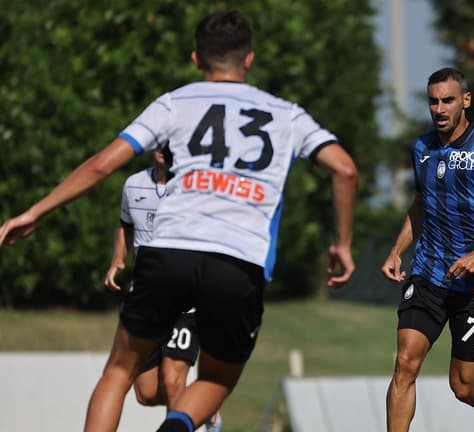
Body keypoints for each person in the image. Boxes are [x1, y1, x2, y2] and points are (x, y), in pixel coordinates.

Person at [0, 10, 357, 432]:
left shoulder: (175, 102)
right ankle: (177, 426)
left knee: (118, 371)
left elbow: (101, 165)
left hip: (168, 251)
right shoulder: (287, 115)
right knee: (217, 378)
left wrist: (34, 211)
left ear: (195, 59)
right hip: (238, 261)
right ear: (249, 60)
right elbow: (344, 169)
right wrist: (343, 242)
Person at [380, 67, 474, 432]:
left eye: (447, 100)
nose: (439, 108)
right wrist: (397, 249)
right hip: (429, 274)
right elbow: (422, 203)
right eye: (433, 101)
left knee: (465, 387)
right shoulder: (422, 148)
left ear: (465, 100)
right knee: (405, 363)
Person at [104, 147, 222, 431]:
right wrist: (117, 259)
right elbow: (125, 225)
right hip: (147, 295)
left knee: (172, 377)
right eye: (159, 140)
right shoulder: (133, 184)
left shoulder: (195, 185)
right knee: (145, 393)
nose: (163, 147)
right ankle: (204, 403)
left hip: (187, 299)